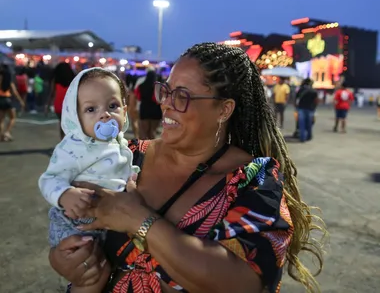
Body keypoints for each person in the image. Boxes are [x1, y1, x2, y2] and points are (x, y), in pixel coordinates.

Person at [49, 43, 326, 293]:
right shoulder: (125, 157)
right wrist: (68, 261)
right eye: (166, 91)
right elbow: (71, 228)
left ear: (223, 110)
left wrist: (138, 220)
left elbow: (244, 283)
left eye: (182, 96)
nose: (166, 104)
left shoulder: (253, 178)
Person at [39, 68, 140, 293]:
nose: (104, 115)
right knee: (94, 273)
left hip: (109, 222)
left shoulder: (122, 146)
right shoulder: (73, 148)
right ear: (76, 116)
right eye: (91, 109)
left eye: (112, 106)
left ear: (124, 111)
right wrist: (65, 194)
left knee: (110, 263)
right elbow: (49, 179)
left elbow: (127, 172)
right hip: (74, 223)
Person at [45, 62, 76, 139]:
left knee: (62, 123)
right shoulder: (73, 80)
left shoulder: (56, 80)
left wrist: (47, 106)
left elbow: (52, 94)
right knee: (71, 124)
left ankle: (63, 140)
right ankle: (70, 141)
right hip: (70, 104)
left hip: (58, 105)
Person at [135, 70, 162, 139]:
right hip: (155, 110)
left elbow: (138, 97)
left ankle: (144, 148)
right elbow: (158, 99)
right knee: (152, 132)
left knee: (144, 132)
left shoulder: (140, 86)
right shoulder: (157, 87)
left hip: (144, 109)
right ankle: (152, 148)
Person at [0, 64, 25, 141]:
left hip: (0, 99)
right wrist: (21, 101)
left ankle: (1, 135)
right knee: (12, 118)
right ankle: (7, 132)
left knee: (1, 119)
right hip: (7, 99)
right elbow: (15, 92)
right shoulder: (9, 81)